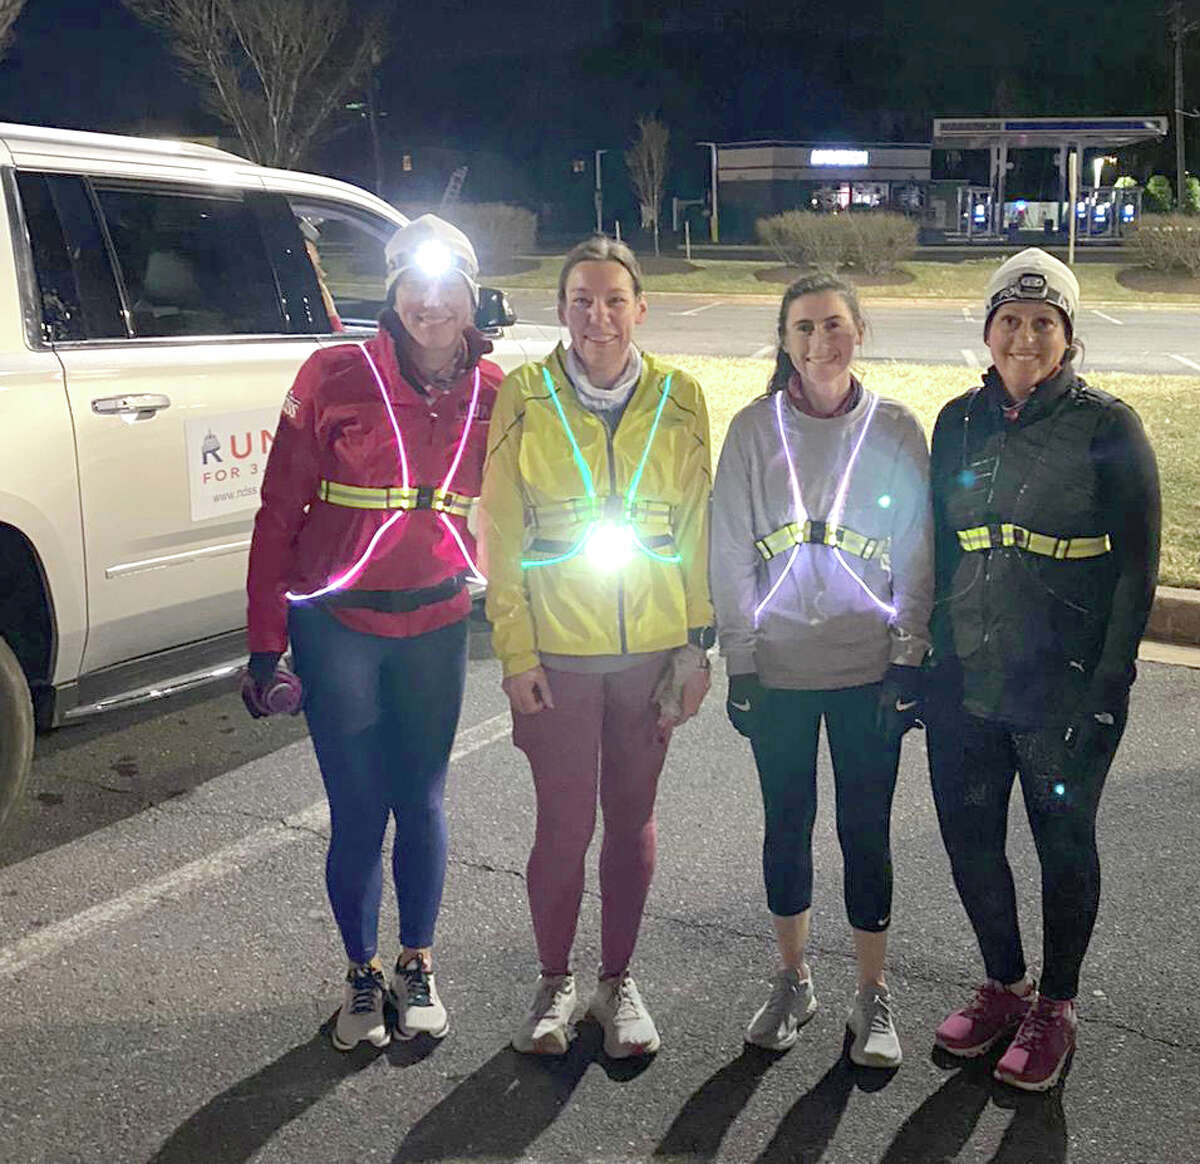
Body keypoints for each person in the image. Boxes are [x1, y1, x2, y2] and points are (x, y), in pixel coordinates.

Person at [244, 215, 502, 1051]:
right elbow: (278, 511)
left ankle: (416, 963)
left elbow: (529, 506)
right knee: (358, 810)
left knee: (421, 801)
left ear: (471, 298)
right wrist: (264, 642)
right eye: (414, 286)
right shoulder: (333, 373)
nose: (431, 304)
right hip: (337, 627)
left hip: (436, 623)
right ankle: (361, 974)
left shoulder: (497, 390)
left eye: (448, 287)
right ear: (393, 294)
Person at [926, 248, 1160, 1091]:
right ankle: (1004, 984)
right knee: (969, 839)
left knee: (1062, 845)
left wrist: (1108, 686)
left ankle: (1055, 1004)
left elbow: (1137, 567)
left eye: (1043, 323)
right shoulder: (956, 421)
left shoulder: (1108, 426)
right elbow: (938, 546)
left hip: (1064, 683)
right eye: (1010, 321)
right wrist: (926, 661)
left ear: (1067, 335)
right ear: (988, 330)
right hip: (968, 679)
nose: (1024, 337)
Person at [479, 236, 714, 1059]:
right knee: (564, 822)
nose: (598, 317)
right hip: (559, 656)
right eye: (581, 300)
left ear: (640, 308)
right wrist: (516, 654)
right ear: (560, 309)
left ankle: (618, 982)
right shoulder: (524, 394)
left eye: (614, 300)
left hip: (650, 652)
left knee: (632, 818)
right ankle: (555, 982)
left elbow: (696, 525)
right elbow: (500, 531)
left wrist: (695, 646)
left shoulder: (682, 396)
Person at [709, 273, 932, 1069]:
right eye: (803, 327)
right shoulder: (752, 429)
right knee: (787, 825)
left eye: (834, 324)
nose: (819, 342)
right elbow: (729, 548)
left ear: (859, 331)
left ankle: (872, 993)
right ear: (784, 340)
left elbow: (917, 549)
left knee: (865, 831)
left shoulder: (896, 428)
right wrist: (740, 660)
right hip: (779, 672)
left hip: (868, 668)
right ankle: (793, 978)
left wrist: (908, 657)